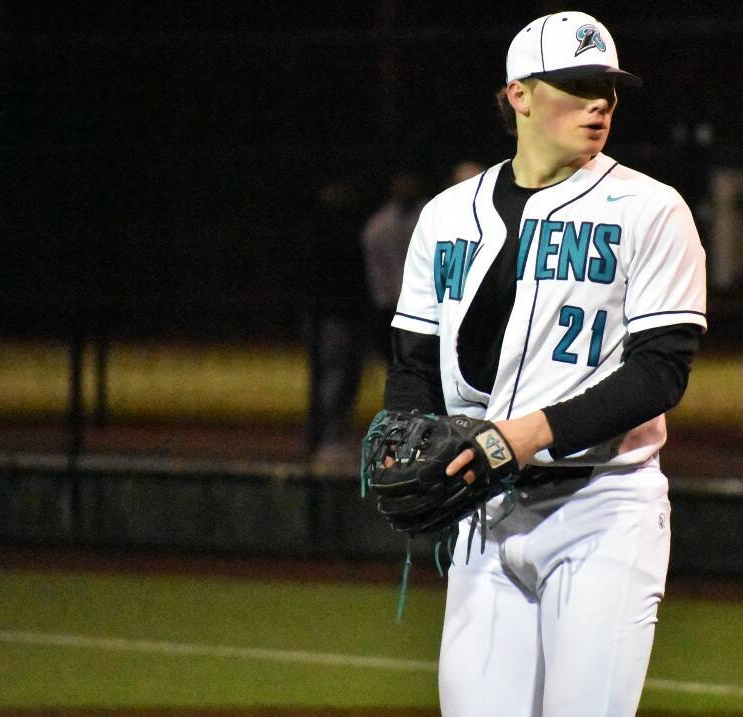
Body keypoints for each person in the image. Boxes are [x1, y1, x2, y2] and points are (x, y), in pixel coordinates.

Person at [380, 11, 706, 717]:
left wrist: (523, 432)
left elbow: (660, 373)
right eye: (578, 84)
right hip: (485, 515)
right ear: (519, 93)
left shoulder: (651, 210)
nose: (600, 103)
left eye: (610, 89)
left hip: (603, 509)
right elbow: (412, 357)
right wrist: (408, 426)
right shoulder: (446, 215)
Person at [303, 174, 370, 470]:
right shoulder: (332, 235)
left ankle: (328, 438)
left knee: (339, 378)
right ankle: (327, 439)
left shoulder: (341, 233)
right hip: (333, 316)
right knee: (334, 378)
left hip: (338, 315)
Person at [360, 170, 427, 363]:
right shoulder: (380, 224)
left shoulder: (433, 215)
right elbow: (376, 269)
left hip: (425, 305)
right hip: (391, 306)